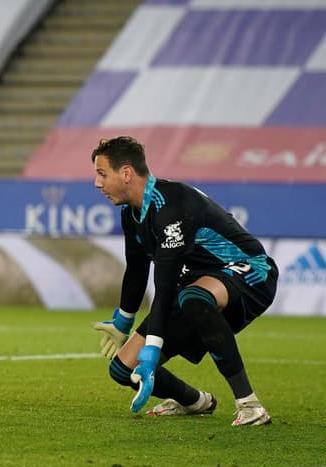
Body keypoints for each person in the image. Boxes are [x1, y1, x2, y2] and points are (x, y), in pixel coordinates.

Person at [90, 135, 277, 427]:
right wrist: (123, 322)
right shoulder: (131, 213)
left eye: (102, 174)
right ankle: (195, 402)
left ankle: (249, 404)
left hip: (251, 272)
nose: (97, 183)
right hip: (194, 287)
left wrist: (152, 349)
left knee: (193, 298)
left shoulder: (172, 206)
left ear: (126, 173)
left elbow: (164, 285)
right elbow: (137, 269)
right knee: (123, 370)